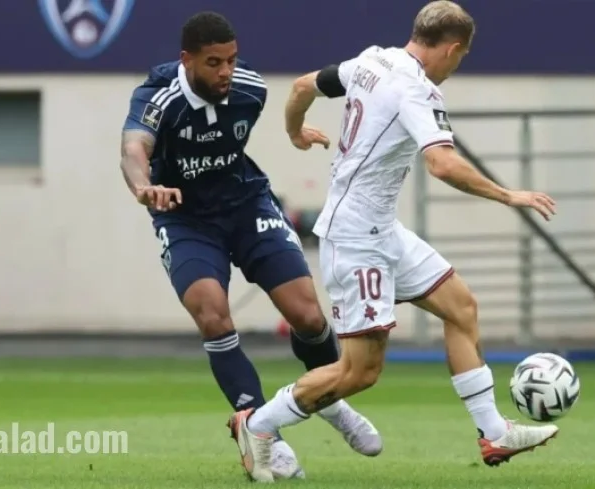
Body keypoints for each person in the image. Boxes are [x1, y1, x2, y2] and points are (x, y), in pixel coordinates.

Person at [228, 1, 561, 482]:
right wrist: (508, 194)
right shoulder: (417, 90)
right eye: (460, 57)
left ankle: (494, 433)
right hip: (356, 241)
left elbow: (303, 87)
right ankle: (256, 426)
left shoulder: (371, 60)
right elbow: (443, 163)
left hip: (382, 231)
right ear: (450, 49)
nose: (456, 66)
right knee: (359, 373)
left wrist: (295, 130)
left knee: (461, 308)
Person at [119, 11, 382, 479]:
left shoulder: (248, 89)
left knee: (307, 313)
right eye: (214, 62)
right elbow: (133, 149)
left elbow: (289, 104)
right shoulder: (158, 97)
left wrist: (295, 133)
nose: (225, 72)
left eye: (231, 60)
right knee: (212, 313)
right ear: (188, 60)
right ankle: (263, 432)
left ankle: (329, 400)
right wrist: (144, 187)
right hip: (186, 220)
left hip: (247, 206)